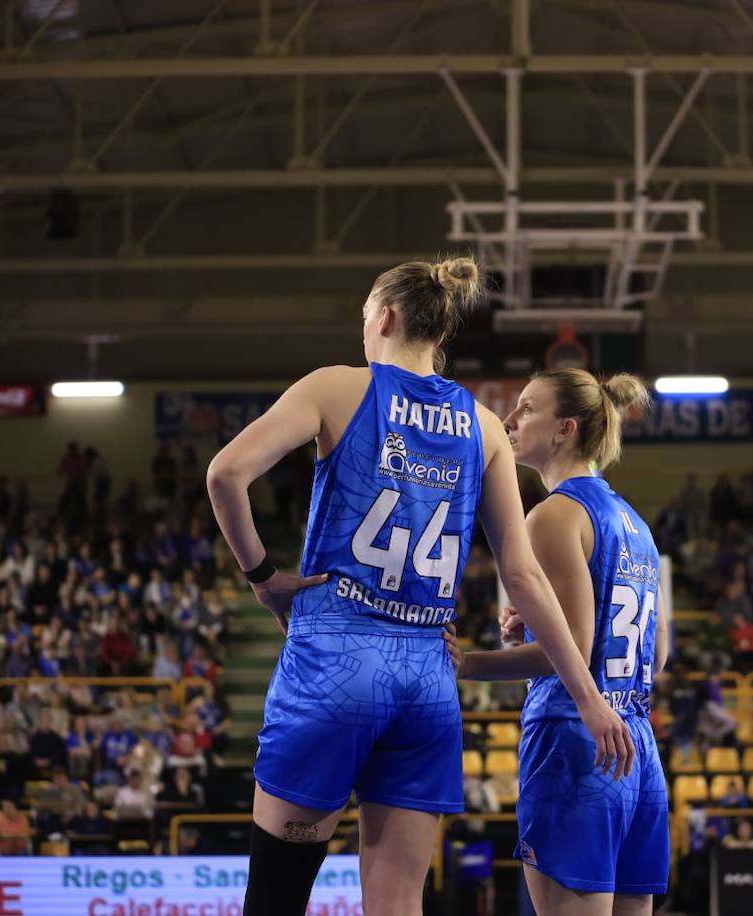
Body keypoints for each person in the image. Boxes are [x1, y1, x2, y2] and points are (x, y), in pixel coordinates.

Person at [206, 257, 634, 916]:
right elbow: (521, 575)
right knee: (399, 901)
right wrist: (589, 698)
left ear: (386, 316)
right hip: (426, 681)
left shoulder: (336, 387)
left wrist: (264, 578)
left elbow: (225, 474)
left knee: (276, 897)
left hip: (334, 664)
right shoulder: (487, 427)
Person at [457, 369, 669, 915]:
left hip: (577, 739)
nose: (509, 419)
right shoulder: (636, 522)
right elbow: (657, 653)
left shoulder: (552, 515)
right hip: (637, 746)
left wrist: (465, 663)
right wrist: (537, 631)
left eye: (526, 408)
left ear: (564, 430)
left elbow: (574, 646)